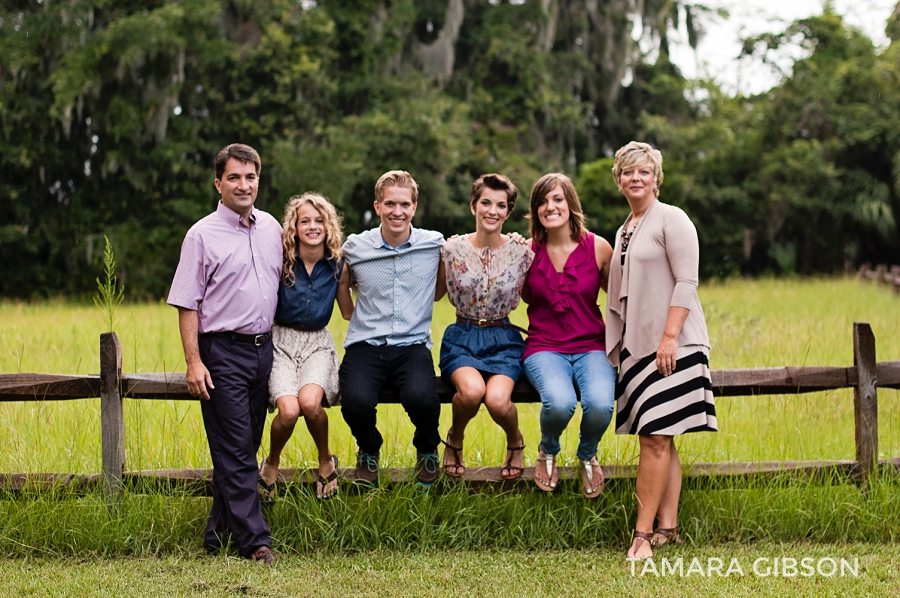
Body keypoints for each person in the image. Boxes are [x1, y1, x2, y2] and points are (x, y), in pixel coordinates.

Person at [167, 143, 282, 564]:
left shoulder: (271, 228)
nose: (243, 184)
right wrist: (194, 361)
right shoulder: (201, 235)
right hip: (222, 353)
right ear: (218, 183)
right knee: (235, 449)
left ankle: (217, 532)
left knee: (243, 445)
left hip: (262, 351)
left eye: (250, 177)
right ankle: (256, 541)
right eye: (234, 177)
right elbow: (186, 303)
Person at [605, 142, 717, 561]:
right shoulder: (624, 229)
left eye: (644, 172)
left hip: (673, 346)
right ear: (619, 180)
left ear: (656, 178)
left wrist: (669, 337)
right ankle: (668, 528)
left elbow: (687, 282)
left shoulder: (673, 218)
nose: (636, 178)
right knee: (660, 440)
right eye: (628, 173)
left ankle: (642, 536)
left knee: (654, 438)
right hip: (639, 347)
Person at [336, 170, 445, 487]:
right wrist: (349, 311)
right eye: (390, 204)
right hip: (365, 344)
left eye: (404, 204)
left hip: (412, 345)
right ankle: (368, 448)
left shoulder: (434, 244)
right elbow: (339, 281)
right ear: (378, 206)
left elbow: (442, 286)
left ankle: (427, 449)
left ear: (414, 207)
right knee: (354, 402)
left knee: (423, 399)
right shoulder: (356, 247)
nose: (397, 211)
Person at [522, 173, 616, 498]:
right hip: (544, 347)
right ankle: (548, 450)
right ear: (535, 211)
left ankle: (587, 453)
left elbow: (621, 298)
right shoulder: (526, 253)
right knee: (560, 403)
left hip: (592, 346)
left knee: (601, 405)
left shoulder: (599, 247)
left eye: (557, 199)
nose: (551, 207)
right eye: (543, 202)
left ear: (570, 203)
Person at [437, 174, 534, 480]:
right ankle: (456, 438)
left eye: (501, 205)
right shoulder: (451, 250)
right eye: (486, 203)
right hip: (462, 335)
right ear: (473, 206)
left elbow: (536, 295)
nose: (492, 211)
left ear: (508, 211)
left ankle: (515, 441)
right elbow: (434, 292)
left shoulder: (522, 252)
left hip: (503, 336)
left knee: (497, 400)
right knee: (471, 392)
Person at [258, 193, 353, 502]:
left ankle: (326, 460)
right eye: (305, 221)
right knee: (288, 410)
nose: (313, 226)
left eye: (319, 220)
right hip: (281, 342)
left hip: (317, 343)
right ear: (294, 228)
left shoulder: (339, 265)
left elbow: (348, 311)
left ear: (329, 226)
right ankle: (272, 462)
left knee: (311, 403)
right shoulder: (281, 260)